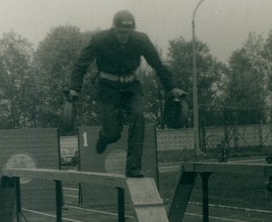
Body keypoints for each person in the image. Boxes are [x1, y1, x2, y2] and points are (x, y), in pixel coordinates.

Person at [69, 10, 186, 178]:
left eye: (128, 33)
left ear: (132, 31)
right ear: (114, 29)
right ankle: (104, 137)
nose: (124, 36)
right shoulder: (99, 40)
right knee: (113, 133)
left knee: (138, 116)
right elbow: (81, 65)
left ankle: (133, 167)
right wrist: (75, 88)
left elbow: (158, 65)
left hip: (131, 87)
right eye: (121, 33)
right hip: (108, 88)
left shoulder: (141, 40)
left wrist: (172, 87)